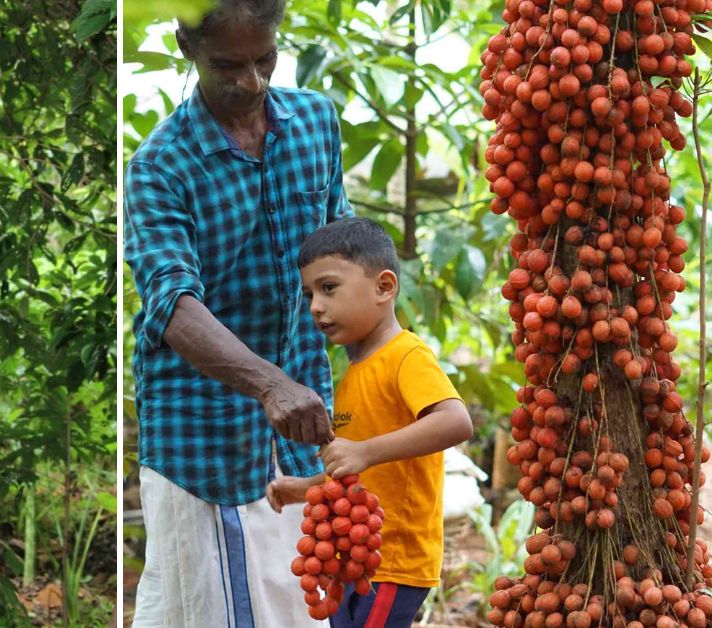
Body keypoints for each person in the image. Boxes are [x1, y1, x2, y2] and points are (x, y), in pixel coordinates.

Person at [124, 0, 353, 623]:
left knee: (295, 597)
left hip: (300, 417)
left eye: (264, 59)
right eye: (228, 64)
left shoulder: (313, 122)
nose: (251, 81)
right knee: (206, 602)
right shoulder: (159, 167)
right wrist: (269, 384)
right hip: (203, 430)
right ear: (186, 48)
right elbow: (172, 306)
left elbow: (339, 249)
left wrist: (381, 353)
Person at [266, 218, 475, 628]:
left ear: (384, 287)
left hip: (393, 560)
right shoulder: (353, 371)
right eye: (308, 294)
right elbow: (357, 474)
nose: (315, 306)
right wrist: (303, 489)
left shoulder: (406, 356)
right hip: (353, 557)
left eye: (329, 288)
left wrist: (363, 451)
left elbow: (456, 422)